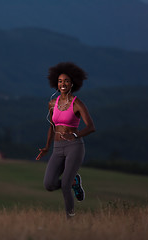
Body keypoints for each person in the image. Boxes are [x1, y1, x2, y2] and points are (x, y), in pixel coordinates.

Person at [36, 62, 95, 218]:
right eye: (60, 81)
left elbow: (91, 127)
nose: (63, 84)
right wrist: (47, 147)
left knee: (65, 186)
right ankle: (75, 182)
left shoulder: (77, 103)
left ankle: (71, 220)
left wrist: (75, 135)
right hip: (57, 147)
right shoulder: (51, 104)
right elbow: (52, 127)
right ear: (56, 83)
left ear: (72, 83)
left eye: (66, 81)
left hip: (74, 146)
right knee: (49, 184)